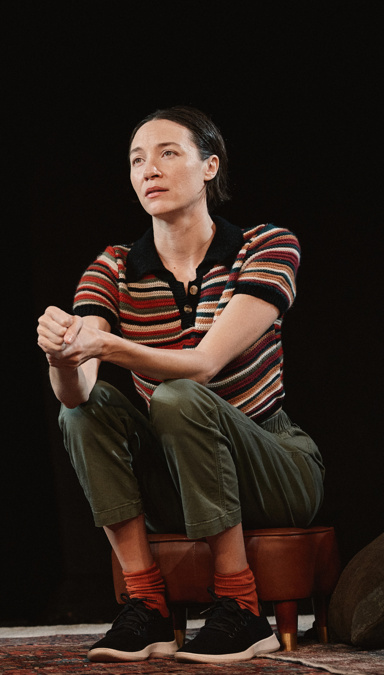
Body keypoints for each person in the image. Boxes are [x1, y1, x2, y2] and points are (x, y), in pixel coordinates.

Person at [36, 106, 324, 664]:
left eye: (169, 153)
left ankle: (241, 606)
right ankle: (148, 608)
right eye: (137, 160)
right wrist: (63, 352)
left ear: (210, 166)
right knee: (80, 412)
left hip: (276, 465)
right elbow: (76, 393)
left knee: (177, 394)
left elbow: (204, 365)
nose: (150, 170)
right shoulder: (113, 267)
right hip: (180, 476)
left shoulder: (265, 246)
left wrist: (106, 345)